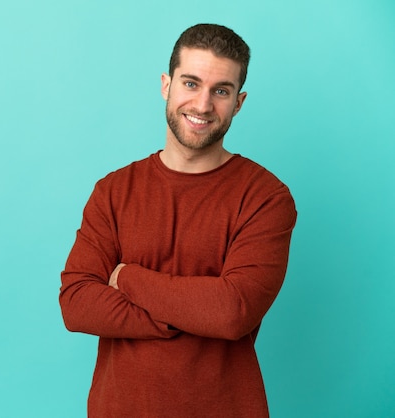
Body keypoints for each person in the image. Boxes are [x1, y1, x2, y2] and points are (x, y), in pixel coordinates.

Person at [59, 23, 297, 417]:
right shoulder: (114, 191)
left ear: (239, 102)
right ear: (166, 85)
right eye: (191, 83)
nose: (203, 105)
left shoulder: (265, 197)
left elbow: (231, 311)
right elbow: (77, 303)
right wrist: (185, 313)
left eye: (221, 91)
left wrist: (128, 278)